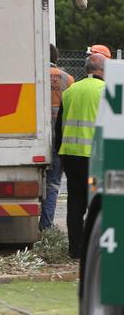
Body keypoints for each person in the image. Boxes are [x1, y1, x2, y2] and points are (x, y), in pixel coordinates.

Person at [55, 50, 108, 259]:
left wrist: (60, 152)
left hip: (71, 156)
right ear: (102, 70)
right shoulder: (107, 91)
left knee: (75, 203)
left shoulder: (71, 91)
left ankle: (75, 249)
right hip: (96, 158)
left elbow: (59, 126)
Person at [40, 44, 75, 230]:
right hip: (59, 135)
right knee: (53, 184)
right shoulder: (67, 79)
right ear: (57, 57)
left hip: (37, 134)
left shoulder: (33, 75)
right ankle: (45, 226)